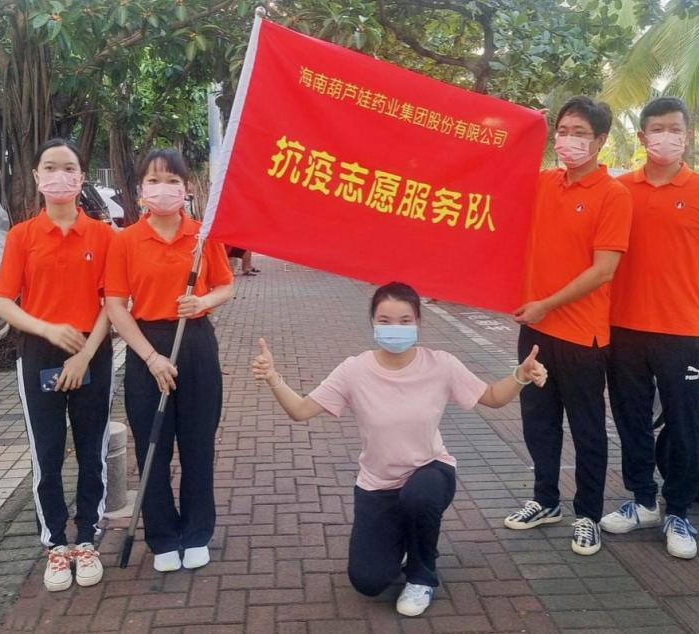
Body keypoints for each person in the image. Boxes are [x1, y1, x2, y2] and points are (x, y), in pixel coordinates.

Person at [251, 282, 547, 617]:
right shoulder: (354, 370)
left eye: (405, 321)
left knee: (419, 497)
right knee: (368, 581)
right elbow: (301, 410)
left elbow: (492, 397)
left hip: (430, 472)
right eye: (385, 320)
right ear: (373, 322)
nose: (396, 328)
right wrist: (273, 377)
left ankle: (422, 575)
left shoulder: (441, 364)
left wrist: (521, 374)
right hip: (377, 485)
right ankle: (406, 540)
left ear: (418, 322)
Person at [600, 96, 699, 559]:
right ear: (642, 137)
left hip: (681, 330)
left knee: (683, 424)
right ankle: (642, 501)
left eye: (674, 129)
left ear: (687, 135)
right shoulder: (620, 190)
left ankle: (678, 510)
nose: (666, 137)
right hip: (623, 328)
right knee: (632, 420)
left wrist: (681, 287)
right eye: (656, 129)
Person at [503, 96, 632, 556]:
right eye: (562, 131)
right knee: (538, 422)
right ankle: (545, 500)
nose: (568, 140)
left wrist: (546, 304)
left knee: (587, 429)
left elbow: (603, 270)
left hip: (581, 335)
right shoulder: (543, 183)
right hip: (536, 330)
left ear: (600, 140)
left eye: (580, 133)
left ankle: (588, 515)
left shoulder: (613, 195)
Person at [104, 149, 234, 572]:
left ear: (186, 188)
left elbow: (226, 285)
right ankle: (161, 537)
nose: (164, 188)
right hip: (147, 346)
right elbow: (116, 306)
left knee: (198, 444)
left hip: (194, 342)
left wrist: (202, 301)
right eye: (154, 180)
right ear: (141, 190)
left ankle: (196, 532)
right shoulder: (125, 240)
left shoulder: (203, 237)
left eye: (173, 180)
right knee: (152, 446)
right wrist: (151, 358)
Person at [0, 138, 114, 591]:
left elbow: (112, 303)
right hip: (39, 354)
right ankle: (56, 545)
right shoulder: (22, 236)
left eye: (68, 168)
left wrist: (84, 354)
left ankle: (86, 539)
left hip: (92, 352)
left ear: (81, 177)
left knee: (91, 450)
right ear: (36, 176)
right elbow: (4, 301)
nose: (59, 176)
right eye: (50, 167)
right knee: (46, 453)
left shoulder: (103, 236)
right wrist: (46, 329)